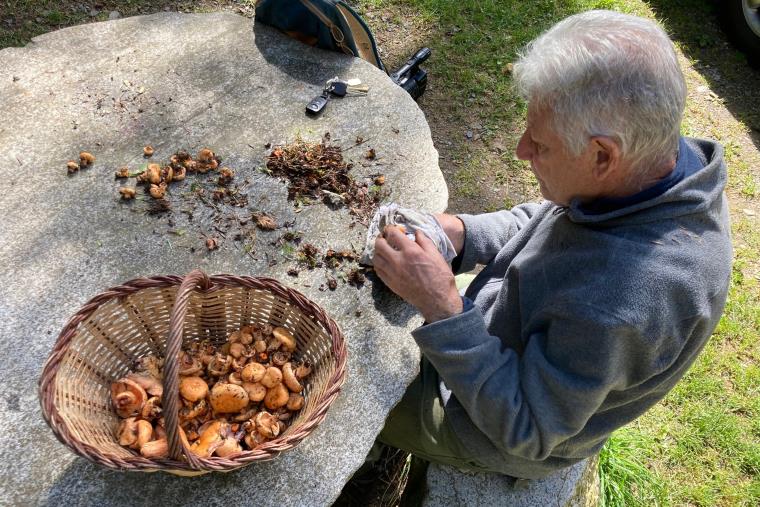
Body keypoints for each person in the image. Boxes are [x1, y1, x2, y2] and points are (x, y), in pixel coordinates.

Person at [371, 9, 732, 480]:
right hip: (499, 343)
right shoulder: (659, 168)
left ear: (603, 155)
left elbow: (527, 428)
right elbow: (558, 217)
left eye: (540, 144)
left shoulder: (623, 300)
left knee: (347, 393)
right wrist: (463, 234)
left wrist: (443, 308)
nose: (521, 149)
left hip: (488, 423)